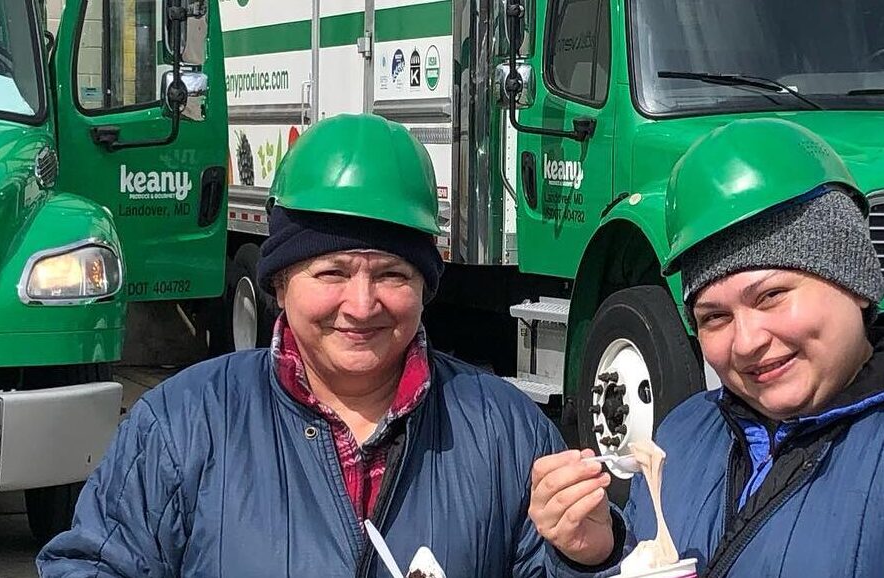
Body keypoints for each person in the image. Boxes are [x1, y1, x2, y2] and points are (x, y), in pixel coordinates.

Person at [37, 114, 623, 577]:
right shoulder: (182, 425)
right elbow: (92, 566)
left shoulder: (509, 435)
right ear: (281, 282)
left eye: (392, 273)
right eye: (332, 272)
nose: (362, 305)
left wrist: (586, 557)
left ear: (425, 287)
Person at [529, 118, 884, 576]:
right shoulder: (686, 434)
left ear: (853, 280)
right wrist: (594, 554)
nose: (746, 341)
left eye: (771, 296)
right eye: (714, 317)